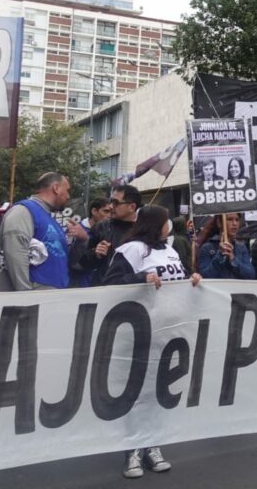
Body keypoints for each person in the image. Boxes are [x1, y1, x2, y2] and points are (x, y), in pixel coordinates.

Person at [102, 204, 201, 478]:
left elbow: (178, 277)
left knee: (158, 390)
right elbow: (110, 283)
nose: (169, 225)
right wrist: (140, 277)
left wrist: (192, 279)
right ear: (156, 224)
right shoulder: (131, 250)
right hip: (139, 330)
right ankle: (132, 450)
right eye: (166, 220)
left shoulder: (169, 249)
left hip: (167, 331)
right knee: (136, 391)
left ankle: (153, 445)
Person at [0, 173, 86, 292]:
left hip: (49, 299)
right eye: (67, 190)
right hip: (30, 303)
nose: (68, 196)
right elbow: (15, 254)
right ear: (56, 188)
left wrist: (82, 239)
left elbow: (65, 260)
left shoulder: (50, 220)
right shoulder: (23, 211)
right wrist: (28, 297)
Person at [81, 184, 142, 286]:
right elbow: (83, 262)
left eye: (115, 203)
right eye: (111, 201)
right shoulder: (102, 227)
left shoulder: (144, 230)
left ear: (132, 207)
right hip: (103, 289)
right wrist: (95, 253)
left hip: (134, 291)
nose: (110, 206)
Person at [197, 213, 253, 279]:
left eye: (237, 220)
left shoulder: (241, 248)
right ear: (219, 223)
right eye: (230, 219)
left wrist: (233, 259)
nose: (234, 223)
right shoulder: (207, 248)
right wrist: (219, 256)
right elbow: (204, 275)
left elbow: (250, 275)